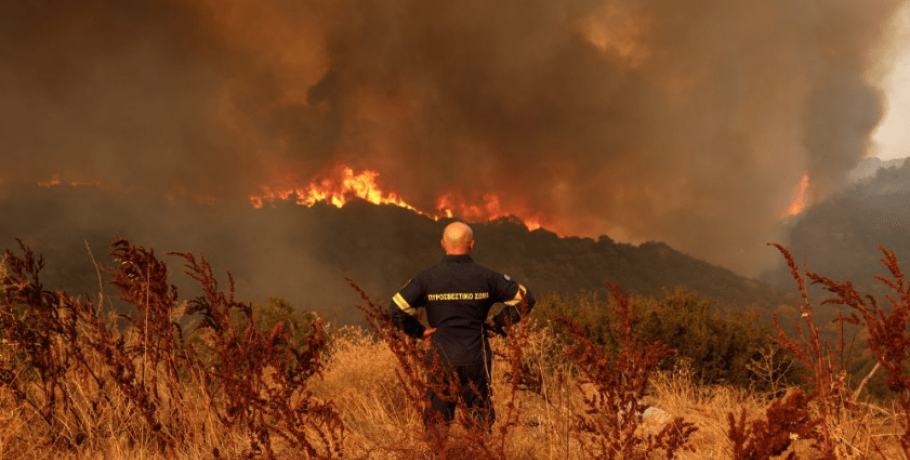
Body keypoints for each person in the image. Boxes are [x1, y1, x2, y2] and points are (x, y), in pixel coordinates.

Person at [389, 221, 535, 436]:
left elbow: (396, 309)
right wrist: (496, 323)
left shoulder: (429, 278)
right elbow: (526, 299)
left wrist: (420, 332)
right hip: (475, 357)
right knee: (479, 423)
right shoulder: (487, 277)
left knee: (437, 424)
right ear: (472, 244)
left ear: (443, 244)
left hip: (441, 356)